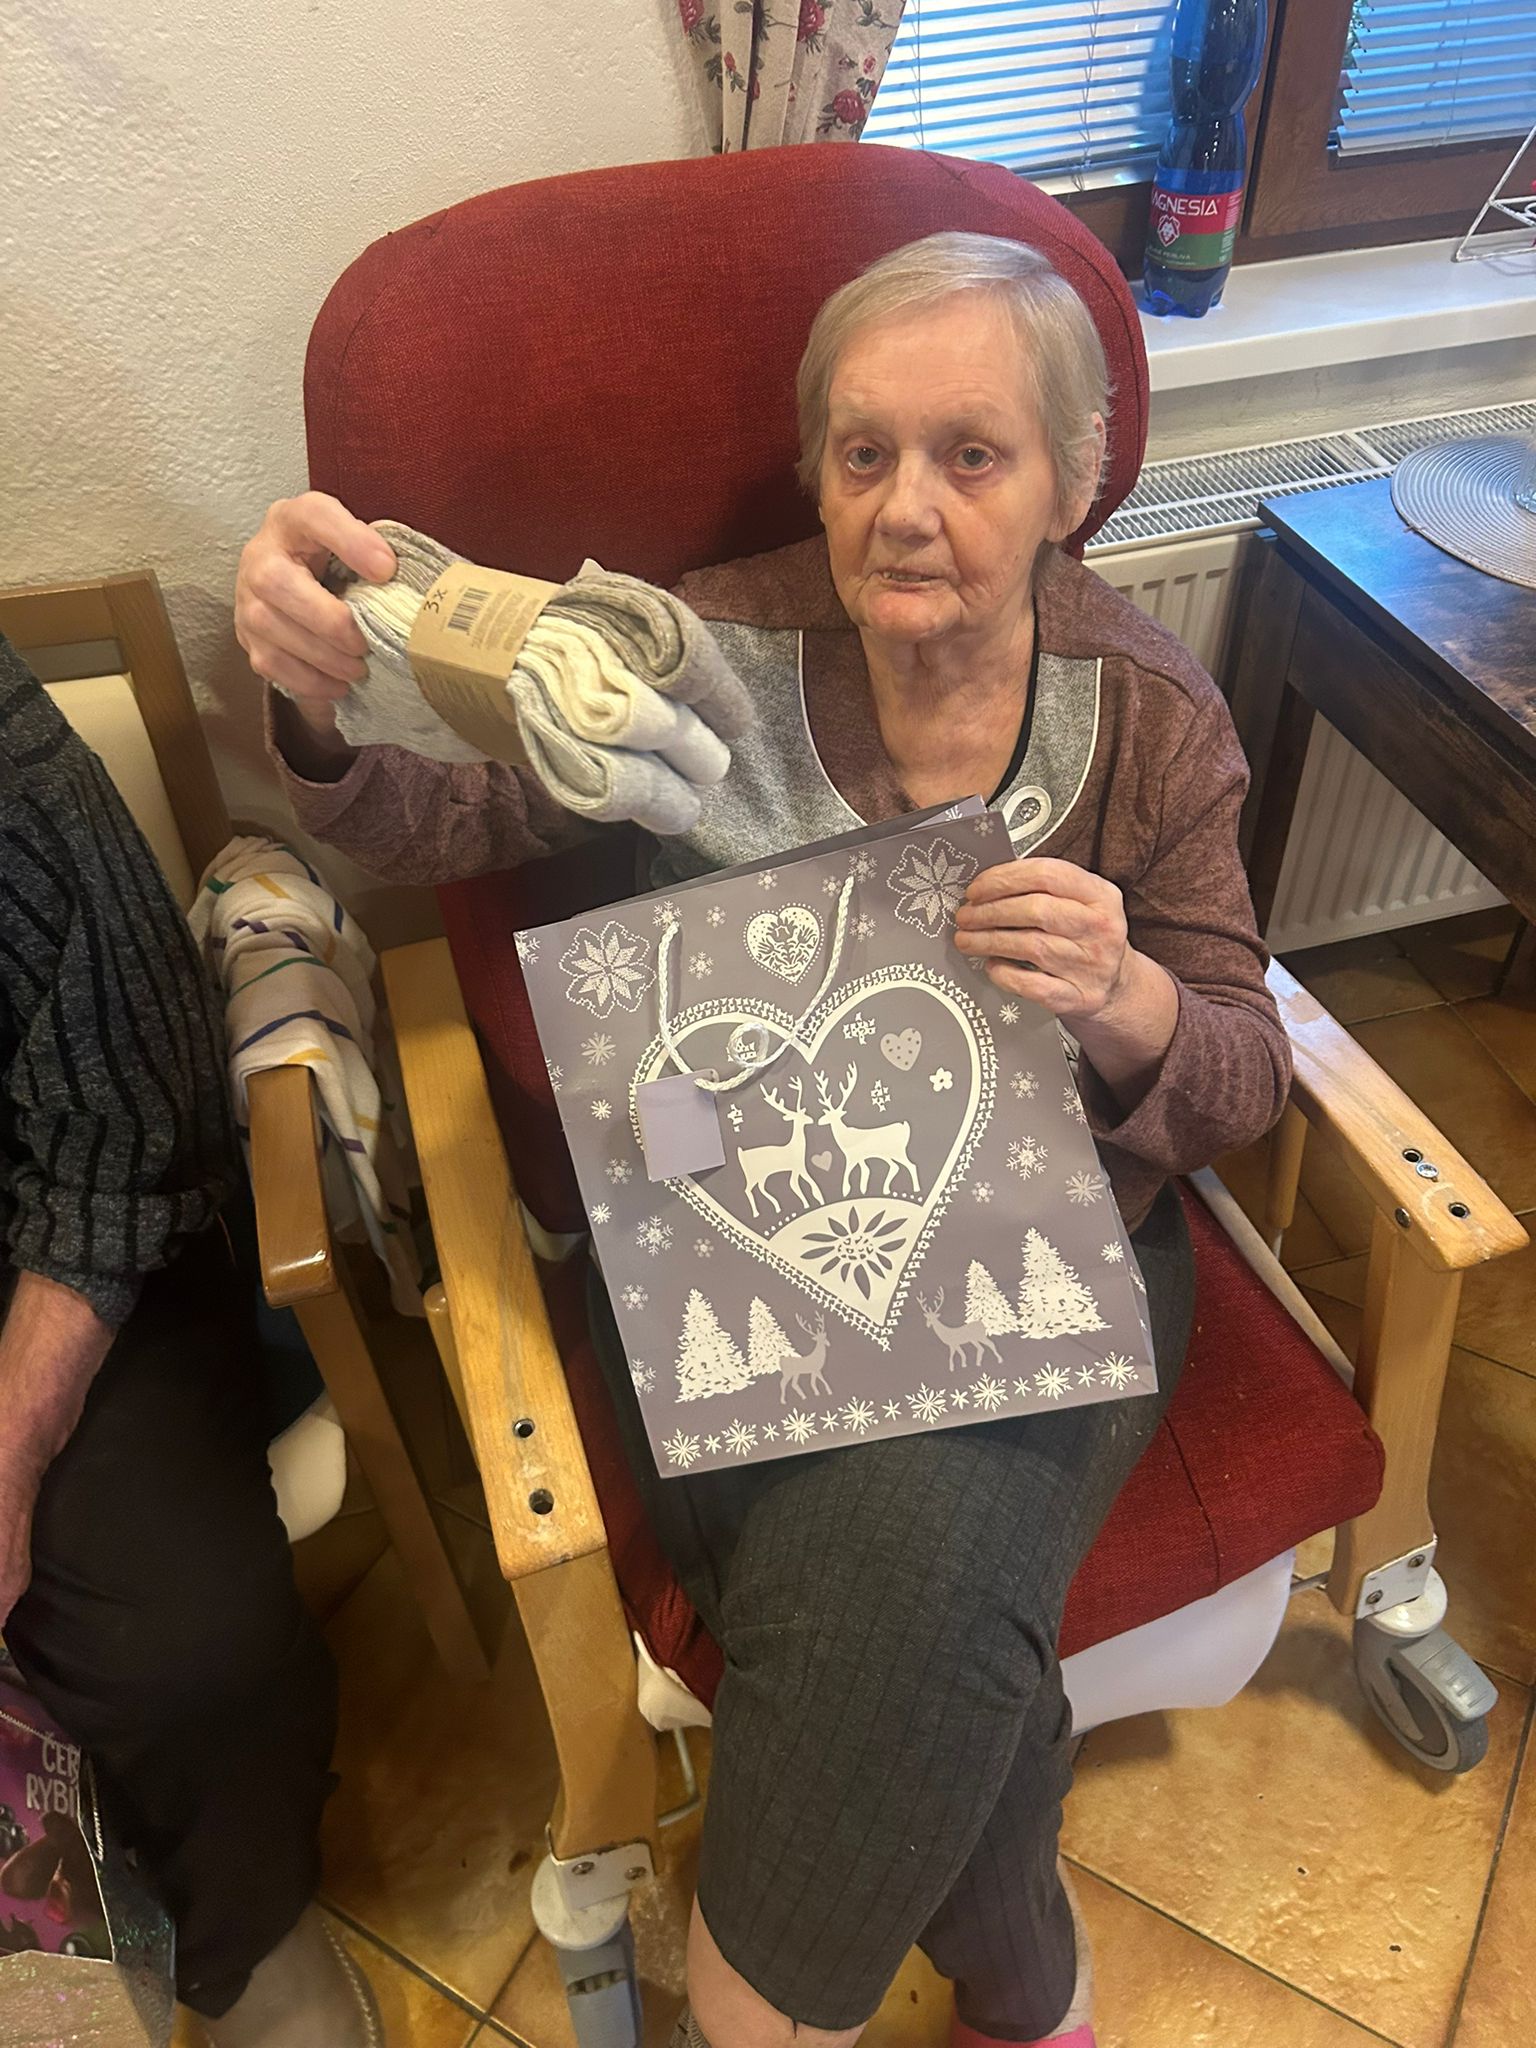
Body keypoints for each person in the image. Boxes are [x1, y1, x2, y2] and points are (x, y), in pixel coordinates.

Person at [237, 232, 1291, 2048]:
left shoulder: (1151, 722)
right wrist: (312, 700)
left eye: (973, 455)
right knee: (944, 1642)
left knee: (907, 1582)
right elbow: (437, 818)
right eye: (863, 452)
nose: (904, 507)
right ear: (816, 470)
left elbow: (1245, 1072)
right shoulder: (699, 645)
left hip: (1048, 1260)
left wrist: (1127, 998)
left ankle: (762, 2006)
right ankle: (1029, 1985)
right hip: (717, 1247)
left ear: (1077, 481)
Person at [0, 633, 381, 2046]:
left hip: (56, 1243)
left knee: (182, 1650)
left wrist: (9, 1459)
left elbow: (123, 1122)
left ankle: (244, 1937)